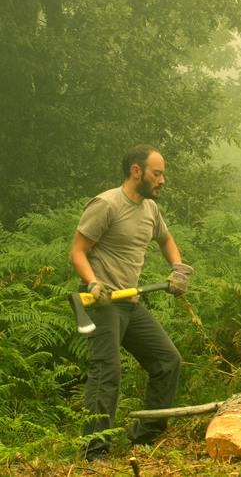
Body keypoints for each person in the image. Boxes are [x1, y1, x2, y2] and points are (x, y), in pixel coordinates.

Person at [69, 144, 193, 461]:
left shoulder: (150, 209)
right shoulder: (107, 204)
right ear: (136, 171)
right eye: (157, 173)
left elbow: (165, 239)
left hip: (130, 301)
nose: (162, 179)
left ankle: (144, 436)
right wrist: (93, 282)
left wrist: (177, 268)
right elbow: (77, 252)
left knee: (168, 360)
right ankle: (93, 452)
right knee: (106, 372)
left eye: (163, 173)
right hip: (100, 300)